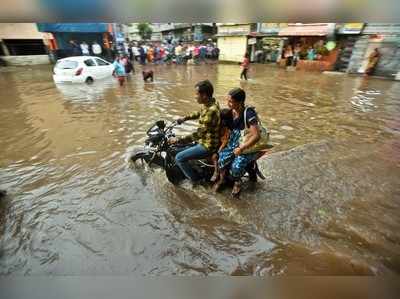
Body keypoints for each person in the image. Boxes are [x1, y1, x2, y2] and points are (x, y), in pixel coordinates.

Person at [170, 80, 221, 184]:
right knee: (177, 149)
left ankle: (196, 181)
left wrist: (179, 140)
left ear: (204, 95)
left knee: (179, 157)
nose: (195, 96)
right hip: (204, 140)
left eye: (197, 94)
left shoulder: (212, 111)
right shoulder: (210, 103)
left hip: (207, 145)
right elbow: (199, 112)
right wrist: (185, 118)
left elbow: (199, 134)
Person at [213, 88, 261, 197]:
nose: (228, 104)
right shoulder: (230, 112)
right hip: (233, 142)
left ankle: (237, 182)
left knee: (236, 167)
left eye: (231, 101)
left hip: (247, 143)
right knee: (221, 158)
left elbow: (256, 135)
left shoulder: (248, 113)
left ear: (240, 102)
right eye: (227, 101)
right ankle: (223, 179)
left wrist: (242, 148)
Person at [210, 108, 233, 182]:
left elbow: (225, 142)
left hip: (226, 146)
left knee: (215, 156)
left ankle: (216, 172)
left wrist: (219, 150)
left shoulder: (228, 129)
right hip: (219, 144)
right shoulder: (218, 126)